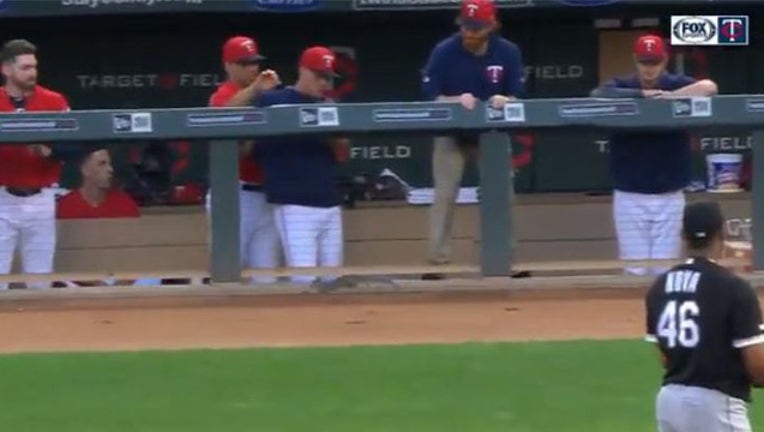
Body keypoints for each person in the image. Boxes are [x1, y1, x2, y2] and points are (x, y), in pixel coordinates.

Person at [590, 34, 718, 276]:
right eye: (644, 62)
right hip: (630, 195)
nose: (649, 69)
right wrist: (642, 97)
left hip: (669, 194)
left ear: (665, 60)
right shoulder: (623, 85)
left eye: (655, 63)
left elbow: (709, 87)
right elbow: (597, 95)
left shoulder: (675, 83)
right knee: (634, 269)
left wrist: (668, 98)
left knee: (664, 269)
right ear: (635, 61)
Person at [420, 0, 524, 280]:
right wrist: (455, 100)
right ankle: (437, 264)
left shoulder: (507, 52)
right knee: (444, 195)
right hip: (451, 134)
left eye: (477, 27)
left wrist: (506, 99)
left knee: (502, 195)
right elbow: (430, 94)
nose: (470, 32)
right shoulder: (445, 51)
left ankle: (505, 261)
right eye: (466, 25)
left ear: (492, 26)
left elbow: (517, 93)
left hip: (490, 134)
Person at [644, 201, 764, 432]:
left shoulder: (659, 287)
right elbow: (758, 368)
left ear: (682, 236)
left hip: (669, 402)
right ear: (721, 234)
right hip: (716, 405)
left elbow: (665, 357)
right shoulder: (734, 288)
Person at [254, 46, 349, 286]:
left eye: (328, 77)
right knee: (304, 279)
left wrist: (330, 127)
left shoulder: (329, 106)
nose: (324, 82)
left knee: (332, 280)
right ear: (302, 71)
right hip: (294, 205)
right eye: (319, 75)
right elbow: (241, 136)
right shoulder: (274, 101)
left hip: (329, 202)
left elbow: (343, 150)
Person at [0, 39, 75, 289]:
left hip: (41, 198)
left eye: (34, 67)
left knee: (40, 279)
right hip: (2, 198)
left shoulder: (54, 101)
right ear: (6, 70)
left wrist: (50, 151)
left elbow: (76, 146)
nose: (32, 72)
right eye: (25, 67)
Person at [208, 36, 281, 284]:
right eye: (245, 63)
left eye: (254, 62)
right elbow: (221, 114)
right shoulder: (222, 95)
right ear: (228, 65)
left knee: (266, 279)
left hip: (266, 195)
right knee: (229, 272)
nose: (253, 68)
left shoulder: (267, 94)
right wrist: (255, 90)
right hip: (233, 196)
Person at [57, 147, 140, 219]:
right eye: (102, 164)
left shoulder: (124, 205)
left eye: (109, 164)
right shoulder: (66, 207)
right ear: (85, 169)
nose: (110, 169)